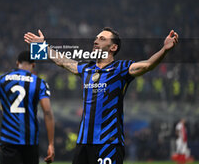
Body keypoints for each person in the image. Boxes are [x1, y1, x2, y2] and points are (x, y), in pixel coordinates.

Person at [24, 27, 178, 164]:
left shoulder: (121, 68)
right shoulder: (86, 68)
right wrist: (42, 45)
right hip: (83, 143)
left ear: (113, 47)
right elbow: (62, 61)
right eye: (96, 38)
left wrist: (164, 50)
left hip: (109, 143)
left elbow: (148, 65)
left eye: (102, 38)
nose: (96, 41)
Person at [0, 51, 55, 164]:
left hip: (8, 140)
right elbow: (47, 112)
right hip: (30, 142)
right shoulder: (39, 83)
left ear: (17, 63)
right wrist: (51, 144)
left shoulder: (1, 80)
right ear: (33, 64)